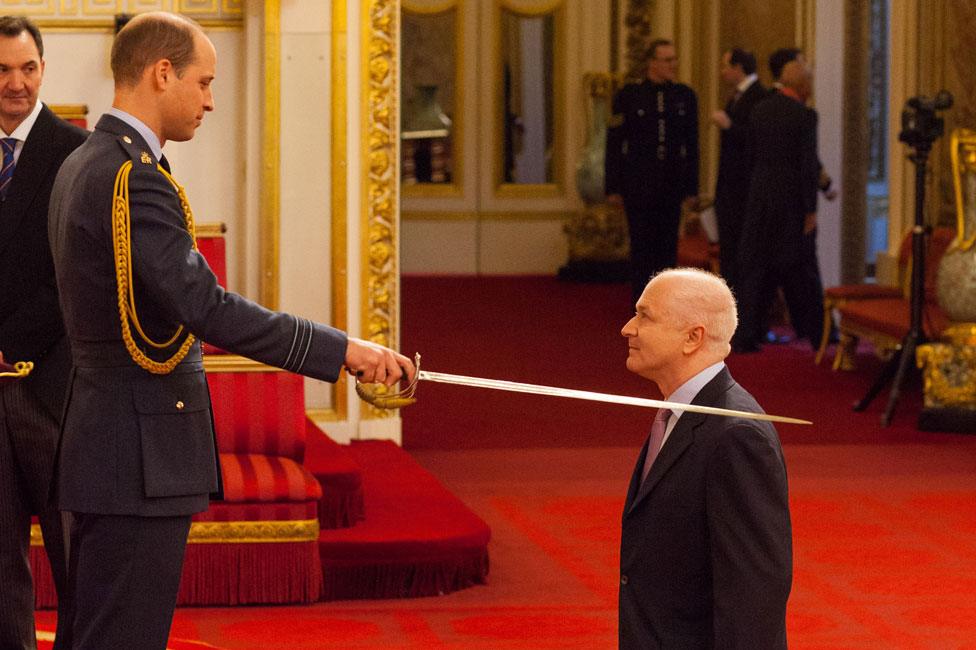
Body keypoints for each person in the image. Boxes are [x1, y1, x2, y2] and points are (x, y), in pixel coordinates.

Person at [47, 12, 414, 649]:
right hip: (138, 456)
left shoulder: (83, 162)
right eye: (205, 82)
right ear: (163, 74)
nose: (211, 101)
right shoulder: (133, 178)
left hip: (106, 443)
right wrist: (343, 351)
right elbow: (207, 307)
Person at [619, 268, 792, 648]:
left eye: (644, 316)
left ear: (692, 337)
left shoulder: (737, 437)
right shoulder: (678, 414)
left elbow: (754, 593)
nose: (628, 328)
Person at [0, 16, 87, 650]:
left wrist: (10, 345)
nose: (16, 83)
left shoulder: (74, 151)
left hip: (50, 390)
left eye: (27, 68)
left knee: (72, 552)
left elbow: (74, 274)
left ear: (44, 69)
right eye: (3, 70)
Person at [734, 52, 826, 352]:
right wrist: (811, 209)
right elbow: (807, 165)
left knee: (756, 269)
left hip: (759, 200)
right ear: (802, 85)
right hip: (791, 204)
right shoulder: (805, 116)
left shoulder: (759, 110)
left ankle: (748, 333)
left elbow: (747, 158)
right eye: (810, 80)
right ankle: (819, 333)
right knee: (802, 269)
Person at [605, 39, 700, 302]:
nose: (673, 65)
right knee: (642, 244)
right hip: (638, 182)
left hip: (671, 182)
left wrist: (692, 187)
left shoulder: (685, 96)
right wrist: (612, 186)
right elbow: (614, 143)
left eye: (674, 59)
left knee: (667, 245)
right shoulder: (629, 96)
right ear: (652, 62)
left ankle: (666, 300)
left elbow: (692, 146)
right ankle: (643, 300)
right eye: (667, 60)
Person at [711, 48, 766, 293]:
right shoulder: (736, 96)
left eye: (725, 67)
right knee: (729, 252)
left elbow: (757, 141)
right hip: (730, 191)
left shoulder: (758, 97)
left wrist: (729, 125)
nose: (722, 73)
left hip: (744, 191)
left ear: (739, 68)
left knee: (742, 254)